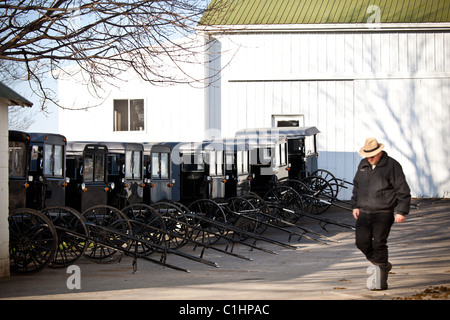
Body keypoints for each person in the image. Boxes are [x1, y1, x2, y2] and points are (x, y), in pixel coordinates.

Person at [351, 137, 411, 290]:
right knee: (361, 242)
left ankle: (380, 283)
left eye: (371, 156)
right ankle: (383, 264)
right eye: (367, 156)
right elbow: (357, 186)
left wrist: (401, 211)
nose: (369, 158)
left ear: (379, 153)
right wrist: (355, 205)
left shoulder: (392, 165)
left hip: (383, 211)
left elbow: (403, 190)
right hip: (364, 211)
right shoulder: (363, 164)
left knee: (379, 243)